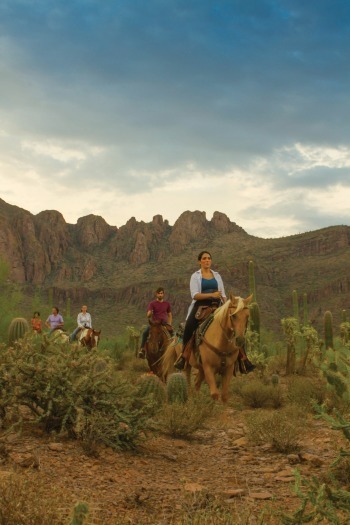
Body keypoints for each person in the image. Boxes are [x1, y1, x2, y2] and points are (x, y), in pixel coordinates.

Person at [175, 250, 255, 373]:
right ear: (199, 261)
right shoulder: (195, 276)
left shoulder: (217, 275)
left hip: (218, 306)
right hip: (200, 306)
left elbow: (222, 294)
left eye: (209, 258)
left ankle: (243, 359)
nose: (207, 260)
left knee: (235, 327)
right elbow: (195, 295)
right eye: (204, 258)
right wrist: (212, 294)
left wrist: (225, 304)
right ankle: (184, 356)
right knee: (189, 327)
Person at [139, 287, 173, 358]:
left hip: (164, 324)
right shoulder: (152, 304)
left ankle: (173, 352)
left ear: (163, 294)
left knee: (172, 334)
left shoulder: (167, 304)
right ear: (156, 294)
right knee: (145, 332)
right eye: (159, 293)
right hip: (155, 324)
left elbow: (169, 315)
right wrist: (150, 313)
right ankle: (142, 350)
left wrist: (169, 324)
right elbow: (148, 315)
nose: (160, 295)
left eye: (161, 293)